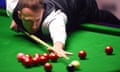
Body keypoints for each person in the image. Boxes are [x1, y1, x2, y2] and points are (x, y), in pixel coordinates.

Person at [6, 0, 120, 58]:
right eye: (29, 21)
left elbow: (58, 29)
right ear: (20, 14)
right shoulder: (12, 8)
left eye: (37, 20)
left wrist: (58, 46)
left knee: (100, 17)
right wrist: (17, 20)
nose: (34, 26)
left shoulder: (53, 17)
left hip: (82, 5)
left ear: (43, 11)